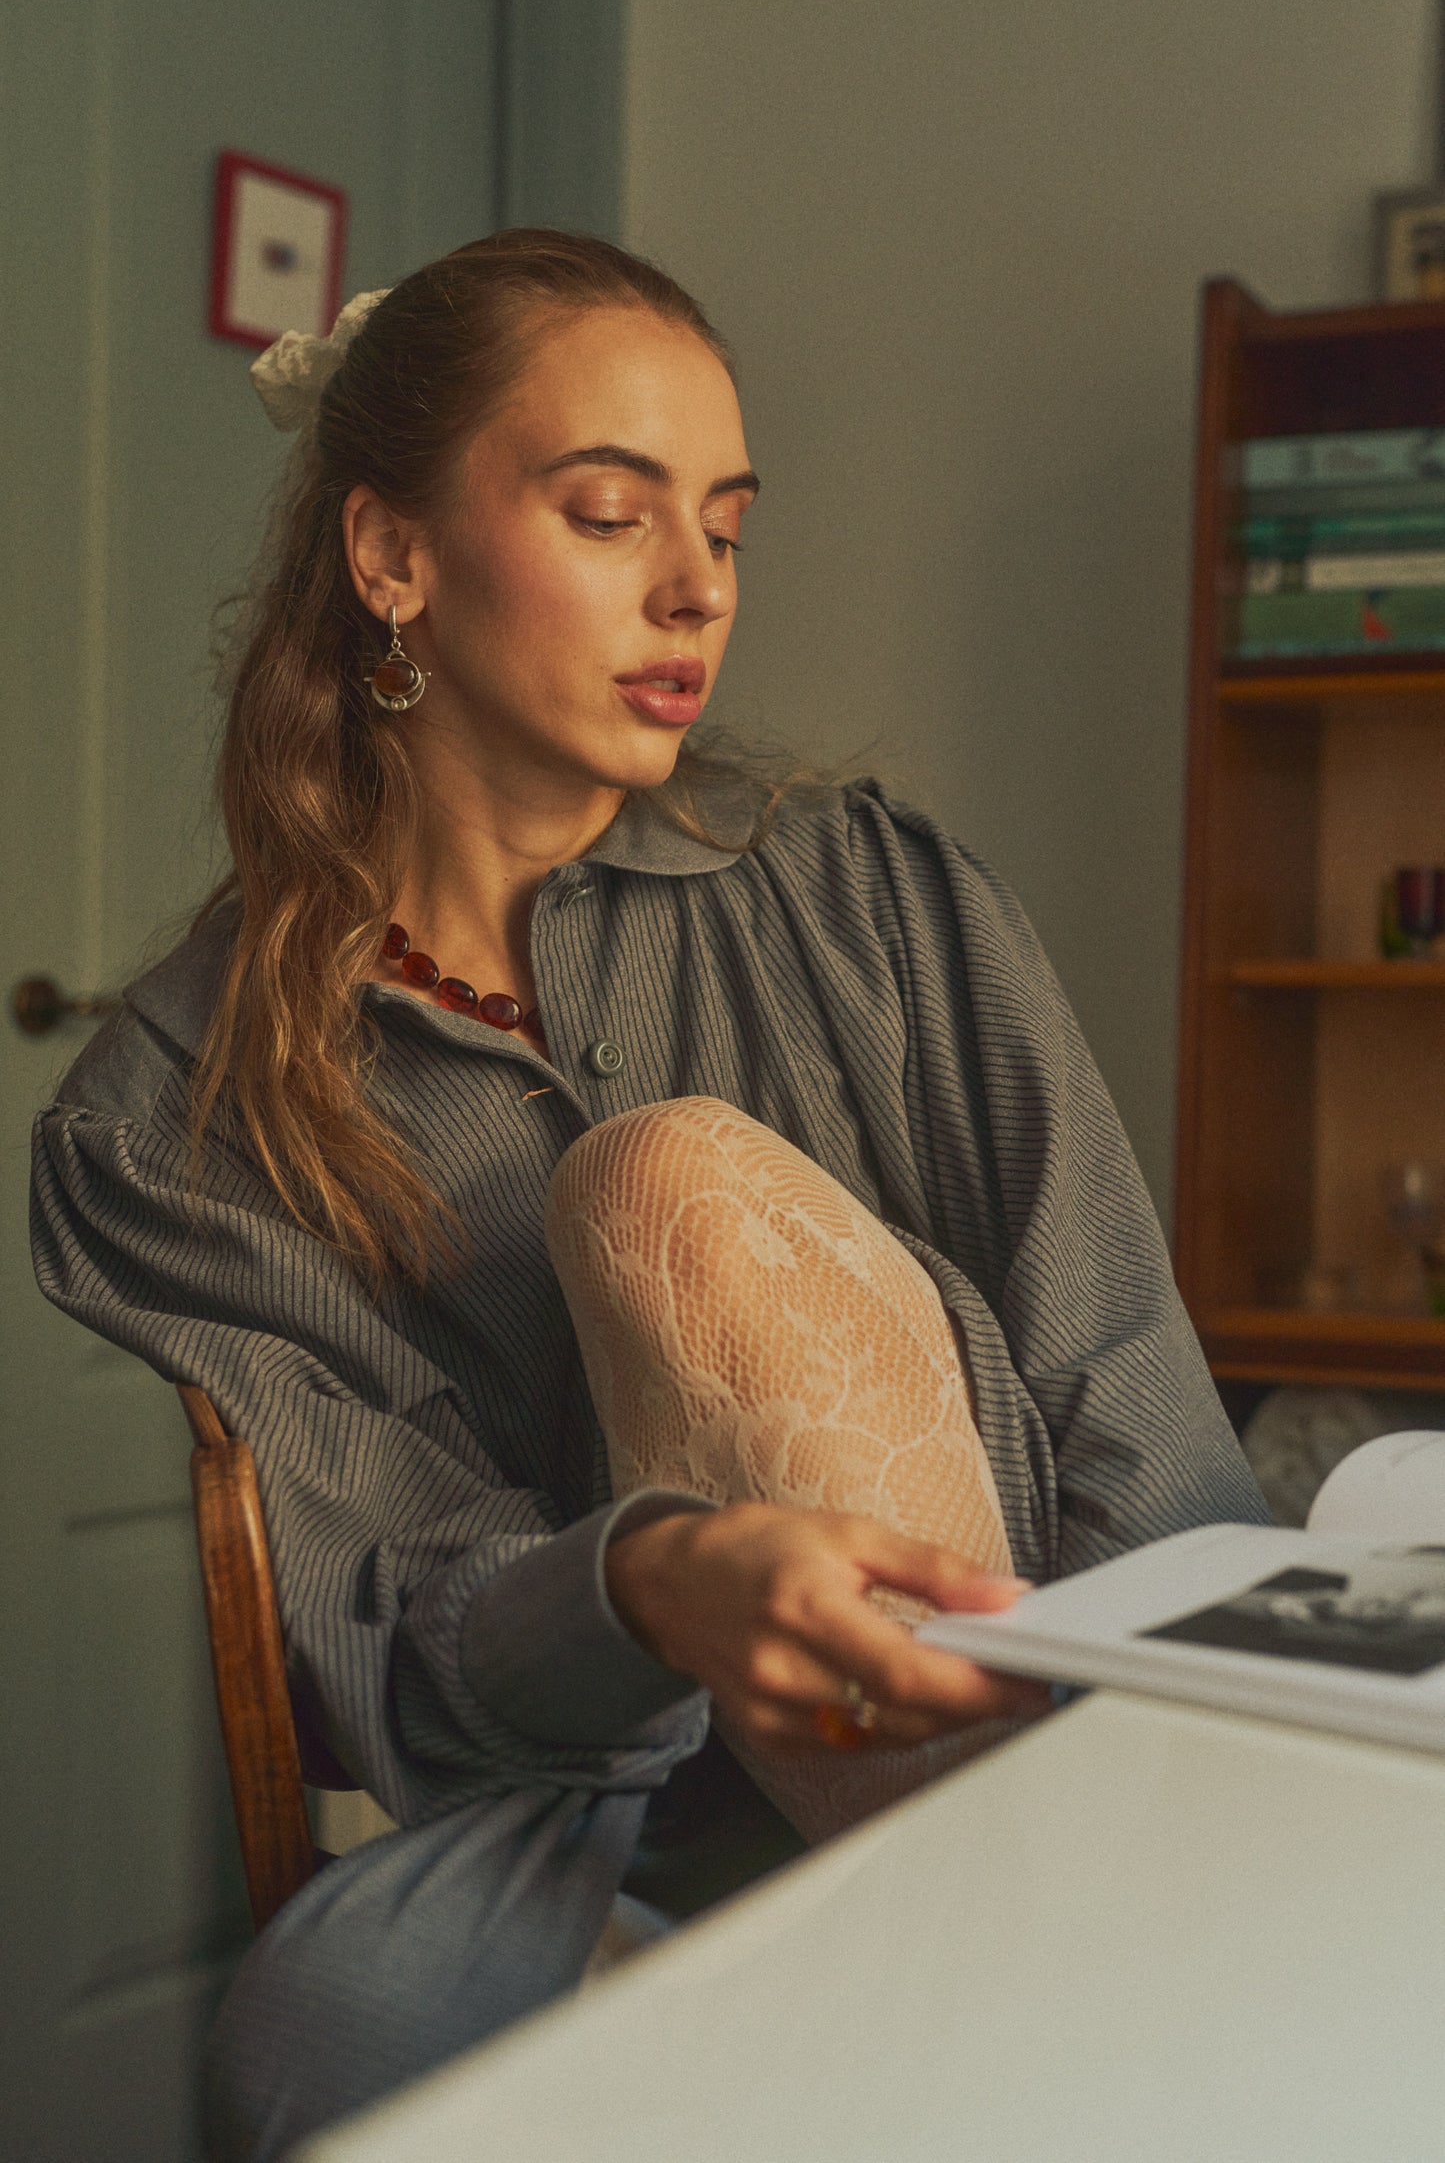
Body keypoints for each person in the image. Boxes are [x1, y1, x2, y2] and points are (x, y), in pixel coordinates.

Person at [29, 228, 1268, 2159]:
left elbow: (1128, 1393)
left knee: (668, 1184)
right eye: (611, 515)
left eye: (727, 525)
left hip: (1042, 1720)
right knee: (326, 2028)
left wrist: (1201, 1736)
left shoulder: (876, 894)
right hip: (599, 1807)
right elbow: (382, 1627)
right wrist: (647, 1586)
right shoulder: (170, 1117)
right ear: (393, 557)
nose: (697, 587)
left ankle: (1043, 1978)